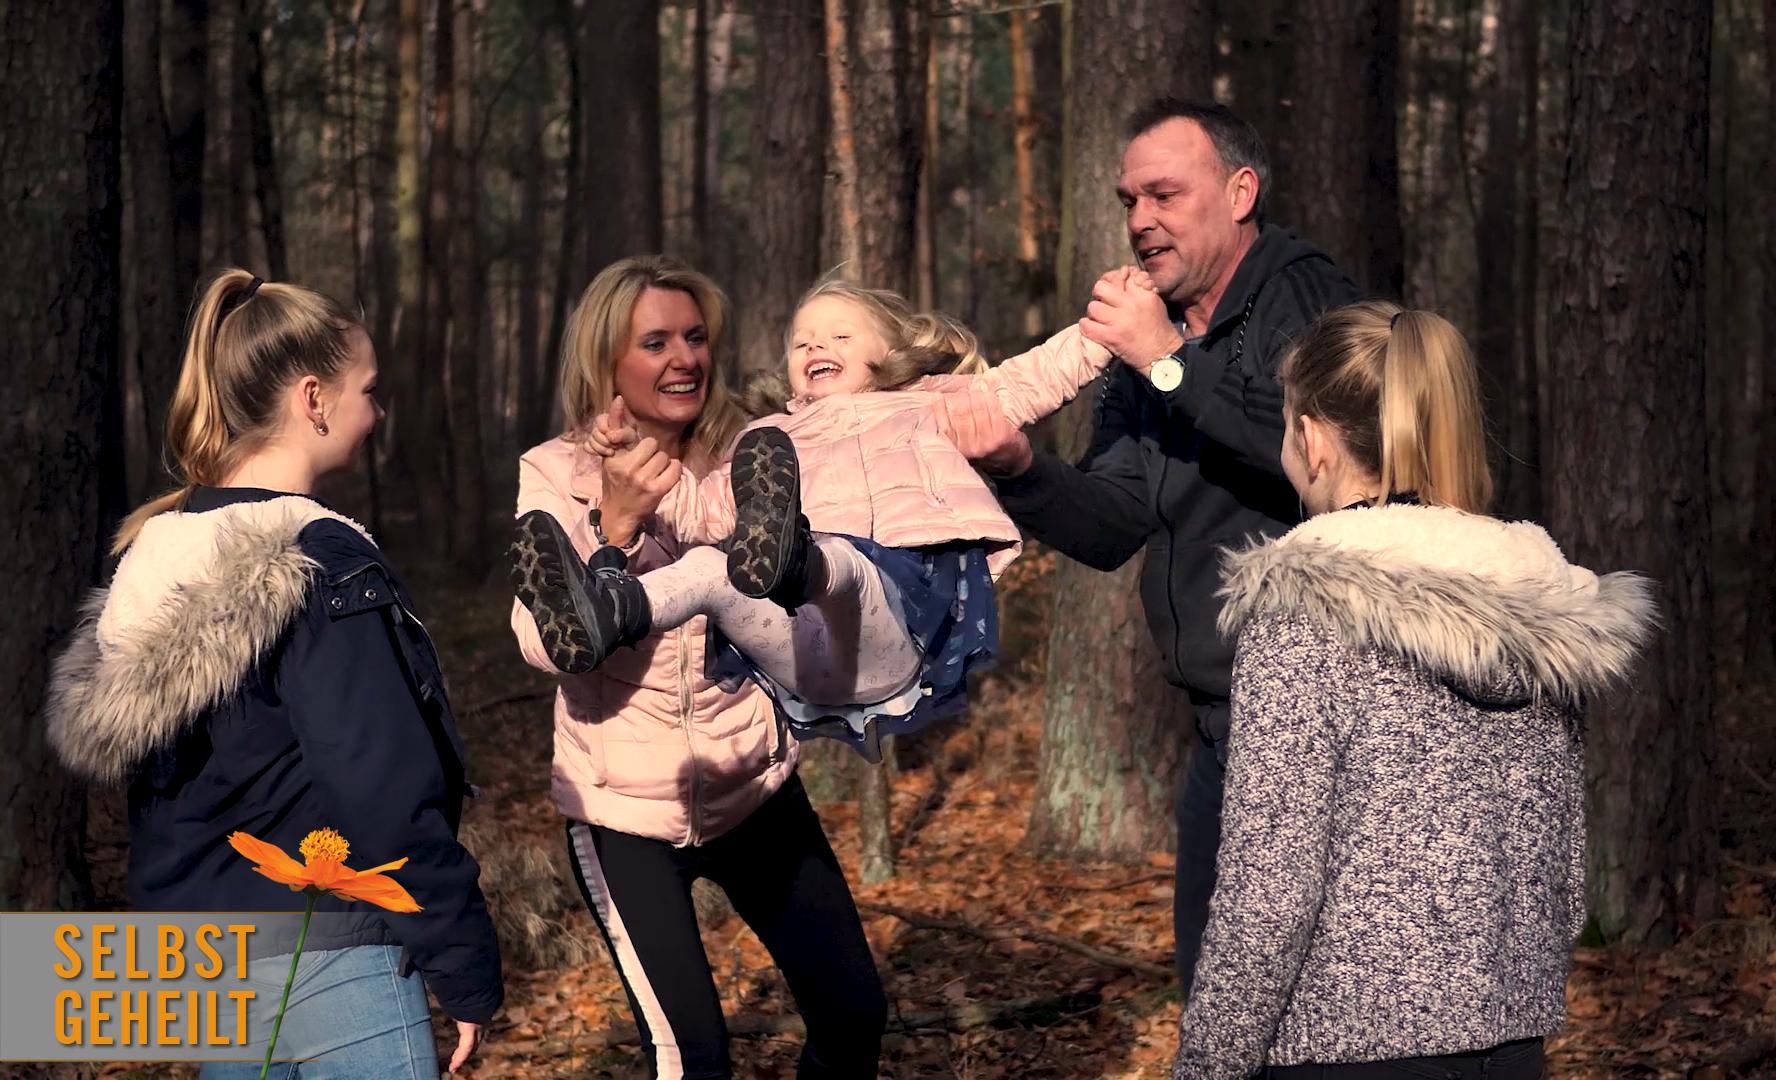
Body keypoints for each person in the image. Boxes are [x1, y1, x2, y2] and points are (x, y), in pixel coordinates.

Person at [933, 97, 1364, 992]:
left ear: (1240, 193)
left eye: (1165, 195)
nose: (1140, 221)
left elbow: (1330, 456)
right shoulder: (1150, 337)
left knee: (1308, 998)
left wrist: (1167, 360)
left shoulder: (1304, 297)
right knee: (1214, 993)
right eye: (1129, 200)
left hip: (1320, 720)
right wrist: (1018, 468)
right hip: (1218, 724)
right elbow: (1113, 523)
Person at [1173, 302, 1656, 1079]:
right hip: (1509, 1044)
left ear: (1313, 439)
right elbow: (1564, 871)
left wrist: (1208, 1066)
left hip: (1343, 1047)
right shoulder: (1542, 602)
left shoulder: (1302, 610)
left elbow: (1270, 893)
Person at [45, 269, 502, 1077]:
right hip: (334, 952)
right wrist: (461, 956)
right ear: (313, 398)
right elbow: (379, 786)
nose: (378, 412)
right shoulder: (317, 559)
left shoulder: (153, 560)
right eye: (370, 390)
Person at [508, 256, 886, 1080]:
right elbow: (539, 642)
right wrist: (613, 526)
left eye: (695, 337)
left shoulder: (752, 454)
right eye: (656, 343)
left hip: (755, 788)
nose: (685, 358)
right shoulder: (556, 471)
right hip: (623, 813)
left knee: (855, 1014)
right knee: (694, 1061)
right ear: (607, 359)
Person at [511, 276, 1136, 759]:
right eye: (803, 342)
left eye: (840, 337)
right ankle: (609, 610)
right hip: (802, 656)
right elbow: (700, 512)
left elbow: (1034, 377)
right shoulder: (767, 439)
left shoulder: (931, 404)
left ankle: (795, 560)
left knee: (843, 562)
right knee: (706, 566)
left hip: (893, 630)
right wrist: (630, 464)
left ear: (892, 352)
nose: (816, 347)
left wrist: (1108, 327)